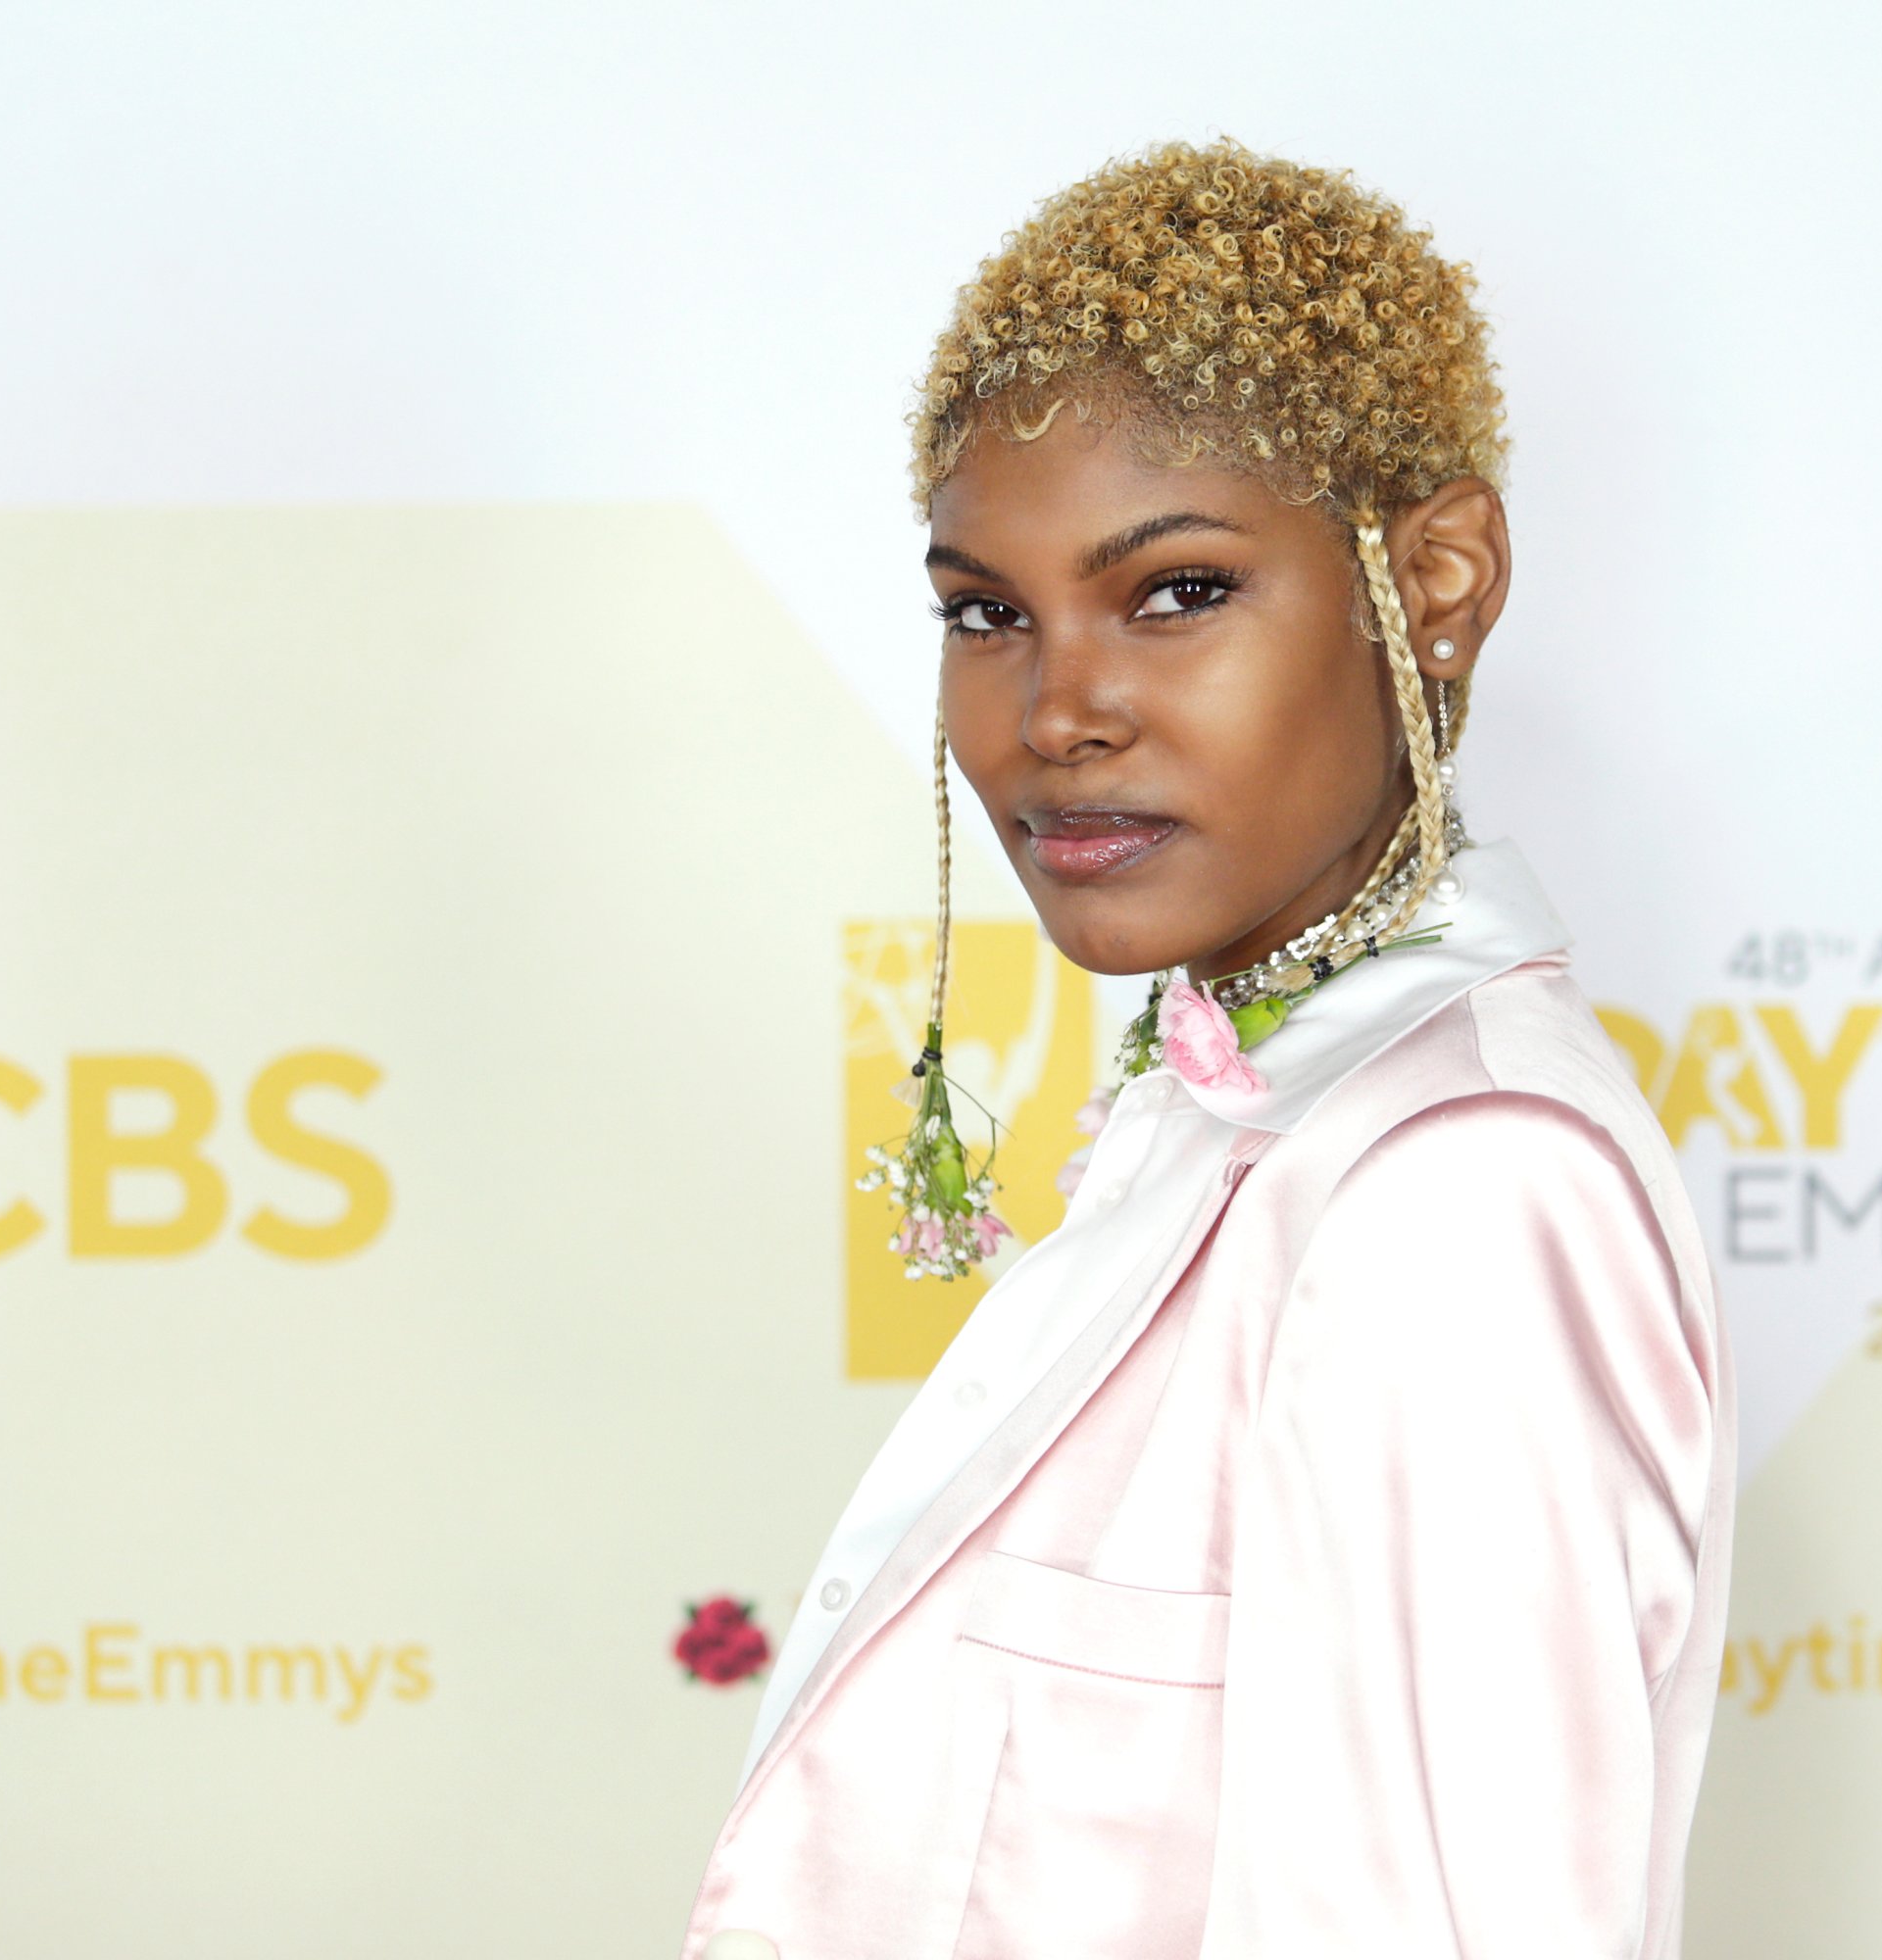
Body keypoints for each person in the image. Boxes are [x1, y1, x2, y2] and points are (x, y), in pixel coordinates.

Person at [687, 138, 1734, 1959]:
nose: (1058, 710)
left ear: (1439, 578)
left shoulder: (1453, 1196)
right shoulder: (1239, 1099)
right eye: (983, 612)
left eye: (1175, 591)